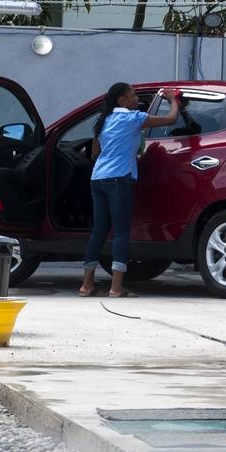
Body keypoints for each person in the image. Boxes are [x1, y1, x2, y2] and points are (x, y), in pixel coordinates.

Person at [78, 82, 182, 297]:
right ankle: (116, 288)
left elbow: (96, 152)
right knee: (121, 233)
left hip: (98, 178)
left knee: (99, 231)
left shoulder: (102, 120)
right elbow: (170, 119)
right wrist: (173, 101)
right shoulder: (132, 118)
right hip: (120, 178)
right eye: (133, 96)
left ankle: (86, 285)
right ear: (122, 100)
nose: (137, 99)